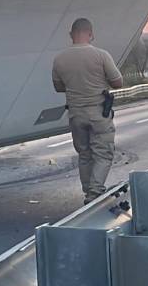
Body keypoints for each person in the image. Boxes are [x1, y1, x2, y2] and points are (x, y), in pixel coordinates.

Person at [52, 18, 124, 204]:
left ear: (71, 35)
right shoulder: (101, 55)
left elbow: (58, 87)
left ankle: (88, 192)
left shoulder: (59, 59)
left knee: (84, 154)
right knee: (103, 152)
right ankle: (95, 192)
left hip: (76, 113)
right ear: (91, 34)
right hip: (98, 112)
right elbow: (118, 82)